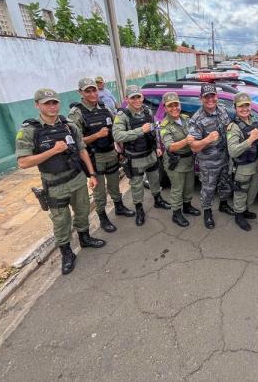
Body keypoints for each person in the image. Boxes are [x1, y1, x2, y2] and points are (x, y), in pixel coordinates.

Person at [16, 88, 106, 275]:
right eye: (47, 103)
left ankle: (85, 238)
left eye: (54, 102)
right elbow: (23, 162)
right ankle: (67, 253)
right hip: (55, 185)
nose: (52, 106)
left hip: (77, 178)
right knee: (61, 221)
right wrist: (53, 151)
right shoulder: (29, 131)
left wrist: (91, 174)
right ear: (37, 105)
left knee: (82, 211)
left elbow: (82, 150)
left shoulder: (69, 125)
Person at [68, 78, 135, 233]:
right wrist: (96, 136)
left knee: (114, 184)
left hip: (110, 153)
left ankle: (119, 207)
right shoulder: (76, 114)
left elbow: (115, 131)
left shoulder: (104, 108)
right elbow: (74, 142)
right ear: (81, 93)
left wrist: (120, 150)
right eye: (87, 91)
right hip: (94, 158)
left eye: (94, 90)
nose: (92, 93)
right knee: (99, 192)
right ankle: (103, 218)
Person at [112, 85, 171, 227]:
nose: (137, 100)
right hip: (135, 158)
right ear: (127, 99)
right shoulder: (122, 116)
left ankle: (158, 200)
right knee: (137, 186)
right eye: (133, 97)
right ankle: (139, 210)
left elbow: (154, 130)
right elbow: (117, 135)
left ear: (142, 97)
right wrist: (140, 130)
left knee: (155, 179)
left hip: (150, 153)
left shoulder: (147, 110)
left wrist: (157, 146)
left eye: (138, 96)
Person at [189, 83, 235, 229]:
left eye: (212, 96)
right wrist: (206, 140)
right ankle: (207, 212)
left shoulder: (222, 110)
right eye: (206, 97)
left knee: (225, 184)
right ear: (201, 98)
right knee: (208, 189)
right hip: (208, 163)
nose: (210, 99)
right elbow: (193, 146)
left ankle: (223, 204)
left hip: (224, 159)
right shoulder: (196, 119)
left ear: (217, 96)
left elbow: (229, 128)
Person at [159, 92, 201, 227]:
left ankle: (187, 206)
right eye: (170, 106)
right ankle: (176, 213)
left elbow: (195, 133)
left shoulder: (185, 119)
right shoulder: (165, 125)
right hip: (175, 162)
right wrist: (186, 141)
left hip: (188, 159)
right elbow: (170, 146)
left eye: (176, 104)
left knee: (189, 185)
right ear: (165, 108)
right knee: (177, 188)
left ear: (180, 104)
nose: (174, 108)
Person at [227, 92, 258, 231]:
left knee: (253, 190)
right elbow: (233, 151)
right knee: (241, 191)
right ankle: (239, 215)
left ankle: (245, 209)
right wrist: (250, 140)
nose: (244, 109)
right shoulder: (233, 127)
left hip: (256, 163)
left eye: (247, 105)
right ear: (235, 108)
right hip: (242, 166)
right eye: (241, 106)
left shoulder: (253, 120)